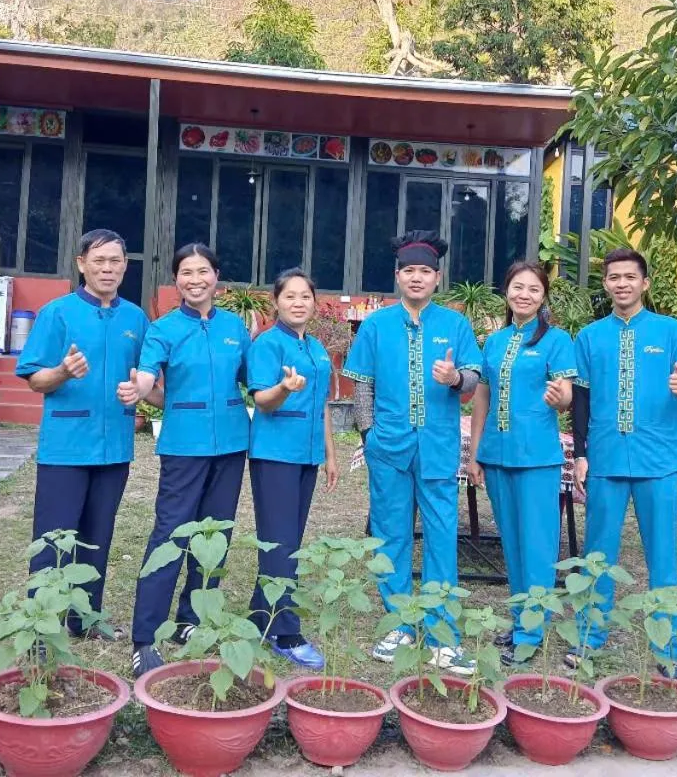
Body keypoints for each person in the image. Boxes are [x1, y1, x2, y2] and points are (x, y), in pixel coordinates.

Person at [343, 230, 484, 675]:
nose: (417, 277)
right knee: (391, 533)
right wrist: (369, 434)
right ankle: (400, 623)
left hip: (438, 446)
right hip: (388, 445)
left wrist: (455, 379)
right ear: (397, 276)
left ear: (437, 277)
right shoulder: (376, 325)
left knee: (442, 534)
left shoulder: (455, 324)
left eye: (425, 271)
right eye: (409, 271)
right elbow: (361, 382)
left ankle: (443, 632)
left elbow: (474, 376)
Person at [568, 247, 677, 677]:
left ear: (645, 283)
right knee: (598, 554)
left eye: (630, 276)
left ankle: (667, 651)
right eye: (614, 277)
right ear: (606, 284)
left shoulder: (671, 331)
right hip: (606, 460)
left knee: (662, 554)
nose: (622, 283)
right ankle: (589, 639)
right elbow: (582, 400)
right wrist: (581, 454)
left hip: (659, 460)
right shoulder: (590, 337)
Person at [15, 228, 151, 640]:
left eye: (115, 261)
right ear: (81, 264)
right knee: (54, 537)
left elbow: (149, 375)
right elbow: (35, 379)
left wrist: (141, 391)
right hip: (66, 447)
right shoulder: (57, 313)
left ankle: (85, 617)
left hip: (115, 447)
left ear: (125, 266)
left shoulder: (135, 318)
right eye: (99, 261)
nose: (107, 268)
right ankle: (42, 622)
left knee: (98, 536)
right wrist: (61, 371)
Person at [129, 243, 251, 677]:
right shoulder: (162, 329)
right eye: (186, 272)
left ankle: (192, 619)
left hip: (233, 445)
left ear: (216, 276)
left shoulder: (236, 326)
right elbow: (147, 376)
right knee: (171, 534)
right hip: (184, 446)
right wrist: (138, 390)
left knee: (214, 536)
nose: (195, 279)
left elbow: (255, 381)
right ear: (176, 279)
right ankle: (145, 636)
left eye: (203, 271)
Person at [465, 261, 576, 666]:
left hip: (536, 457)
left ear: (543, 296)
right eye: (517, 287)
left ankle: (531, 632)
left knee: (537, 544)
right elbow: (481, 397)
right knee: (512, 543)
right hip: (496, 455)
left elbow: (565, 393)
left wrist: (559, 398)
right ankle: (519, 621)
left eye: (533, 288)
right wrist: (476, 451)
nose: (524, 294)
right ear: (507, 291)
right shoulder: (494, 342)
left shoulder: (557, 340)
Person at [246, 268, 339, 669]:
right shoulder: (267, 345)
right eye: (290, 297)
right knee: (280, 543)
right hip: (275, 454)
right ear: (275, 302)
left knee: (287, 542)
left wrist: (331, 455)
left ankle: (258, 618)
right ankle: (287, 633)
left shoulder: (316, 347)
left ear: (315, 304)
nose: (298, 303)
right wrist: (284, 388)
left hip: (308, 455)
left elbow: (322, 407)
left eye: (305, 296)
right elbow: (263, 401)